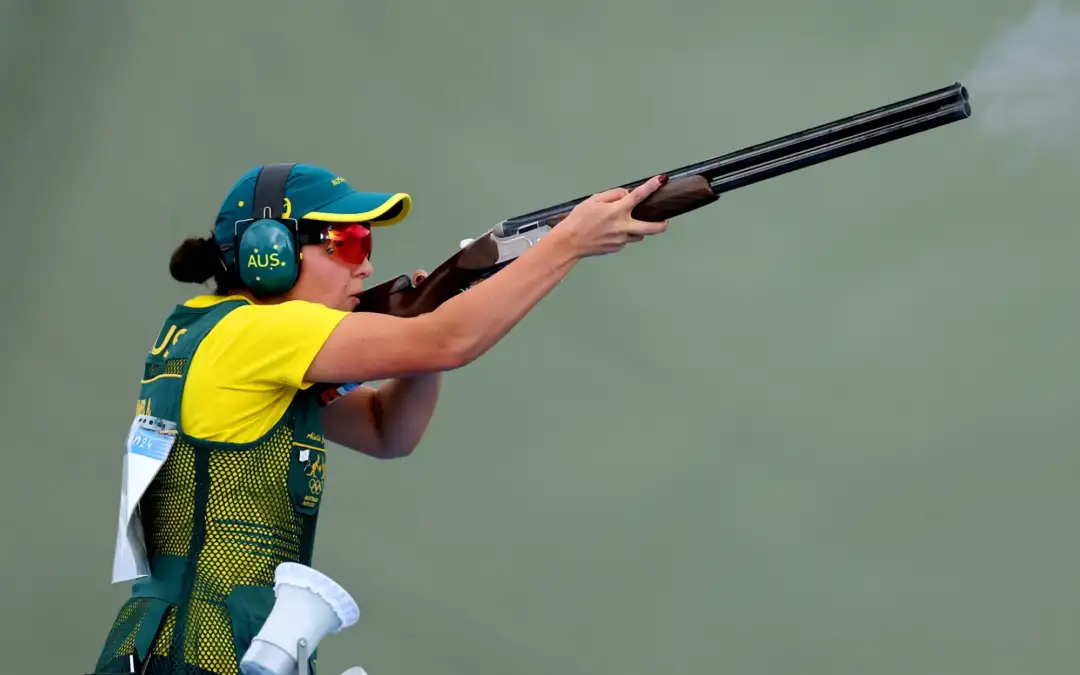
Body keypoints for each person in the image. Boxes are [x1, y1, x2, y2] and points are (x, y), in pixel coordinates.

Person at [91, 162, 670, 674]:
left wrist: (425, 322)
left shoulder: (211, 330)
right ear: (271, 252)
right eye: (346, 244)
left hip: (199, 646)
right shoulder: (258, 333)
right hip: (201, 653)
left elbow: (387, 432)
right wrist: (567, 243)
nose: (365, 267)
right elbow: (451, 341)